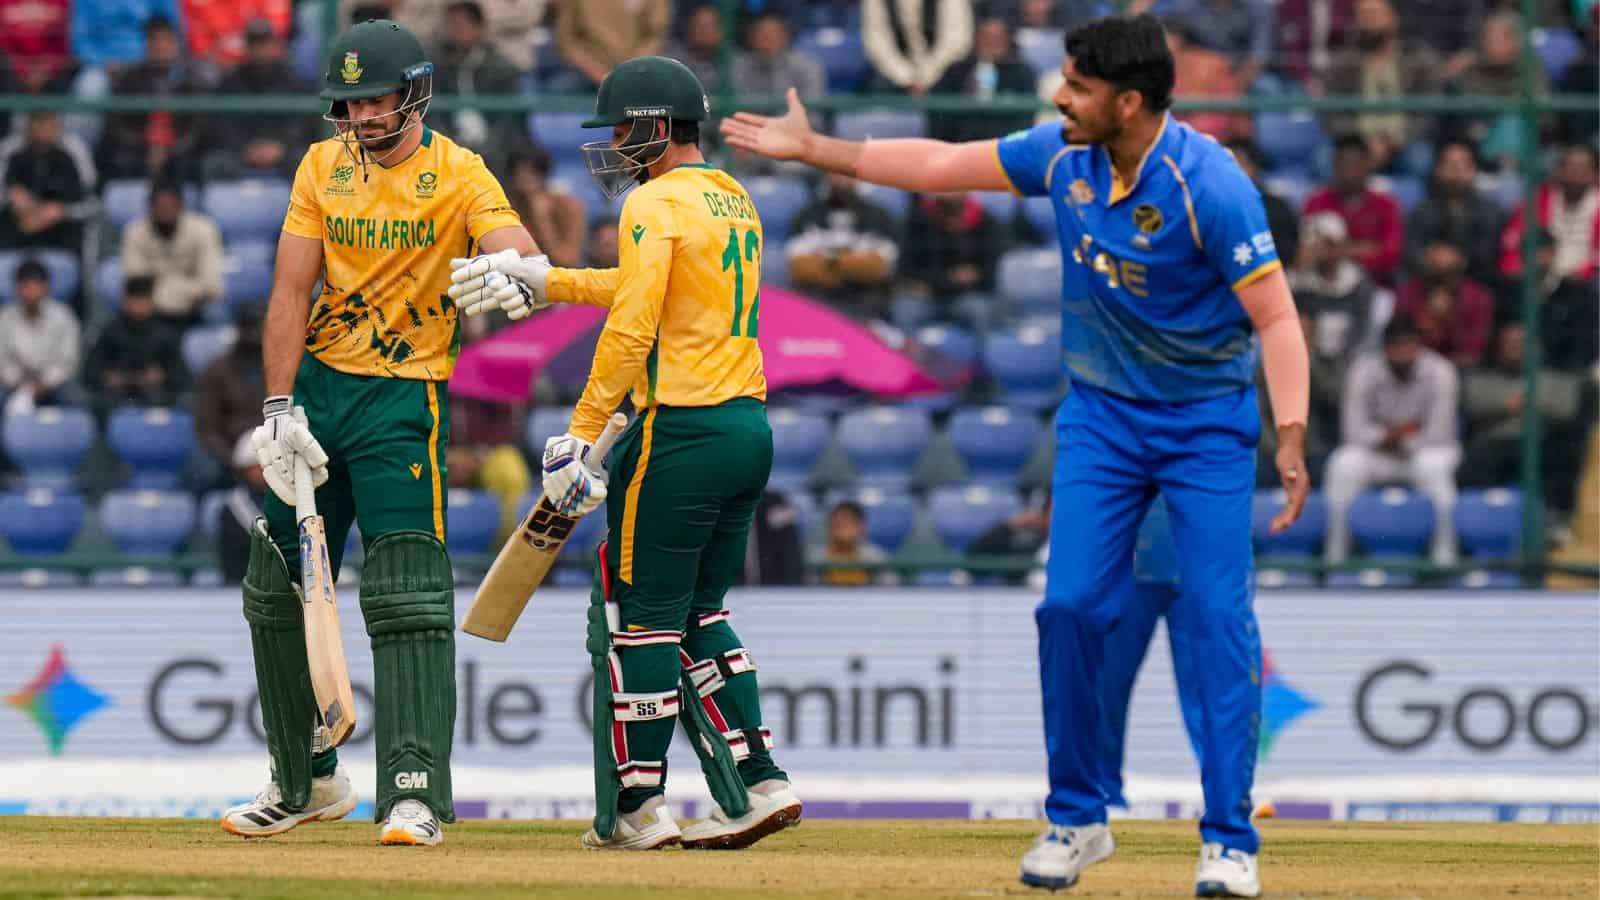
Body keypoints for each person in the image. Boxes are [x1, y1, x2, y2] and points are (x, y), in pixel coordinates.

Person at [720, 14, 1311, 897]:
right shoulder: (1063, 156)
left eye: (1077, 87)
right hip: (1103, 420)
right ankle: (1077, 818)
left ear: (1129, 102)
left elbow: (1277, 317)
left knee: (1219, 621)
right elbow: (938, 165)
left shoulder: (1211, 185)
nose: (1060, 97)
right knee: (1067, 606)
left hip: (1205, 428)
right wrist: (816, 150)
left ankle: (1229, 840)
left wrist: (1291, 434)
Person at [448, 55, 802, 852]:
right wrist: (548, 281)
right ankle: (762, 782)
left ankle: (641, 805)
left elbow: (635, 324)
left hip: (680, 433)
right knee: (702, 613)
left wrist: (581, 429)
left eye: (620, 129)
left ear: (656, 125)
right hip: (748, 429)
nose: (612, 145)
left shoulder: (652, 200)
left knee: (643, 620)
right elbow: (646, 288)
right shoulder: (732, 195)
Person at [217, 19, 539, 848]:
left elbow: (518, 247)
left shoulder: (459, 171)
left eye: (376, 100)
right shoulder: (321, 166)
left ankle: (413, 791)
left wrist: (516, 271)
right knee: (276, 584)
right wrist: (278, 406)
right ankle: (306, 776)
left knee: (406, 592)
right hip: (320, 394)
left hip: (405, 400)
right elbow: (290, 292)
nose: (361, 115)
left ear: (415, 94)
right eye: (350, 103)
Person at [1323, 316, 1460, 566]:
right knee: (1343, 464)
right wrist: (1385, 436)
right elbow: (1352, 430)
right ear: (1385, 348)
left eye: (1409, 345)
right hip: (1378, 451)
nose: (1403, 352)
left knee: (1435, 469)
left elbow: (1439, 432)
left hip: (1422, 452)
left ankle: (1444, 559)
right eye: (1397, 345)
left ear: (1419, 346)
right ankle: (1336, 558)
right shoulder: (1364, 370)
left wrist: (1404, 439)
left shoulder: (1440, 371)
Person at [784, 173, 900, 315]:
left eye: (846, 174)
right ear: (827, 175)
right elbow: (799, 267)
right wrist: (853, 265)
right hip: (817, 300)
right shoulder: (807, 215)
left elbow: (880, 268)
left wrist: (830, 263)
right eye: (836, 173)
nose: (841, 179)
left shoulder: (879, 217)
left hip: (866, 302)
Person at [120, 180, 225, 327]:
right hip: (154, 308)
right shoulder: (134, 232)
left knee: (215, 312)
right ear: (149, 207)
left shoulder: (203, 230)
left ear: (181, 207)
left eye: (171, 206)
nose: (165, 212)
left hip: (195, 306)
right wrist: (183, 291)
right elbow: (138, 285)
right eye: (160, 207)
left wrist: (168, 291)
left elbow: (212, 287)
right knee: (133, 311)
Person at [1303, 135, 1404, 283]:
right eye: (1344, 165)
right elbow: (1307, 253)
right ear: (1335, 166)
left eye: (1356, 165)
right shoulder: (1317, 202)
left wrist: (1339, 250)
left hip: (1374, 284)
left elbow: (1390, 254)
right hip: (1321, 284)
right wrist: (1364, 248)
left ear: (1368, 165)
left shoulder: (1386, 204)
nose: (1350, 172)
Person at [1405, 139, 1503, 289]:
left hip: (1478, 286)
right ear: (1438, 170)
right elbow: (1412, 251)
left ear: (1474, 170)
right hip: (1429, 285)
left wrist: (1457, 259)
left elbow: (1489, 252)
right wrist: (1432, 259)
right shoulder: (1422, 211)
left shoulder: (1491, 212)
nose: (1456, 171)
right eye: (1449, 164)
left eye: (1462, 164)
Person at [84, 275, 185, 408]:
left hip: (154, 393)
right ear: (126, 302)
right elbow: (90, 370)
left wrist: (162, 376)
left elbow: (180, 374)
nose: (139, 307)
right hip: (116, 393)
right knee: (101, 403)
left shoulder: (165, 333)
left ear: (151, 302)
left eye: (143, 301)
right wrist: (107, 377)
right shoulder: (111, 331)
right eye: (135, 301)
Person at [0, 110, 93, 252]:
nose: (43, 128)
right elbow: (7, 193)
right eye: (38, 121)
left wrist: (62, 211)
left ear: (58, 125)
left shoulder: (72, 153)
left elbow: (90, 203)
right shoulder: (11, 152)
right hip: (13, 240)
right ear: (28, 125)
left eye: (48, 122)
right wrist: (9, 197)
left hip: (60, 243)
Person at [1393, 238, 1494, 368]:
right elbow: (1398, 339)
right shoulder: (1408, 292)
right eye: (1435, 251)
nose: (1440, 256)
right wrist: (1427, 318)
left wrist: (1448, 318)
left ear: (1462, 260)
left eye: (1446, 251)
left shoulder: (1477, 297)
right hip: (1413, 366)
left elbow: (1474, 348)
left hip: (1460, 367)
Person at [0, 259, 84, 409]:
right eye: (26, 287)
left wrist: (44, 385)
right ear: (17, 289)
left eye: (36, 287)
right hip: (14, 383)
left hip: (54, 384)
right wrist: (19, 384)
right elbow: (3, 361)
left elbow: (68, 362)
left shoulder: (64, 316)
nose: (31, 293)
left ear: (46, 288)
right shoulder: (5, 318)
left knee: (76, 400)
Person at [194, 304, 267, 472]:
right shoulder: (218, 370)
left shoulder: (283, 368)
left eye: (261, 329)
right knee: (204, 470)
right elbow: (207, 428)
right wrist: (234, 461)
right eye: (250, 329)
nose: (255, 336)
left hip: (274, 447)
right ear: (240, 331)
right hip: (230, 448)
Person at [862, 0, 975, 95]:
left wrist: (926, 77)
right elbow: (877, 42)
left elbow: (955, 42)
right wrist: (905, 78)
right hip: (894, 78)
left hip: (942, 72)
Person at [506, 143, 586, 267]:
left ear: (543, 175)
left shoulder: (568, 206)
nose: (523, 180)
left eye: (531, 174)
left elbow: (567, 261)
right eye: (518, 174)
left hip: (555, 273)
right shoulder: (508, 205)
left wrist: (543, 219)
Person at [816, 499, 891, 586]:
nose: (841, 530)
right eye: (837, 524)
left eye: (846, 523)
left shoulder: (875, 558)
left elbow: (890, 584)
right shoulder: (817, 559)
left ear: (861, 527)